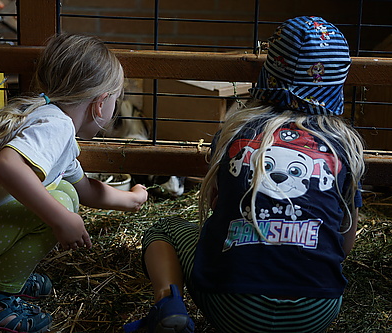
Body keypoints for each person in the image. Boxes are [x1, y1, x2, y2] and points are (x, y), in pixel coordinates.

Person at [125, 16, 365, 333]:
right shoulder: (343, 147)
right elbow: (344, 243)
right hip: (315, 311)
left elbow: (217, 208)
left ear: (269, 70)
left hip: (234, 308)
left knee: (165, 229)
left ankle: (168, 304)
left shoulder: (236, 131)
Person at [0, 33, 148, 333]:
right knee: (59, 206)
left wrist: (132, 199)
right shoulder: (55, 125)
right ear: (100, 105)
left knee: (64, 193)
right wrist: (61, 219)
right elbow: (6, 165)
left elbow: (84, 188)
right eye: (117, 99)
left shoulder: (49, 119)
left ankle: (0, 273)